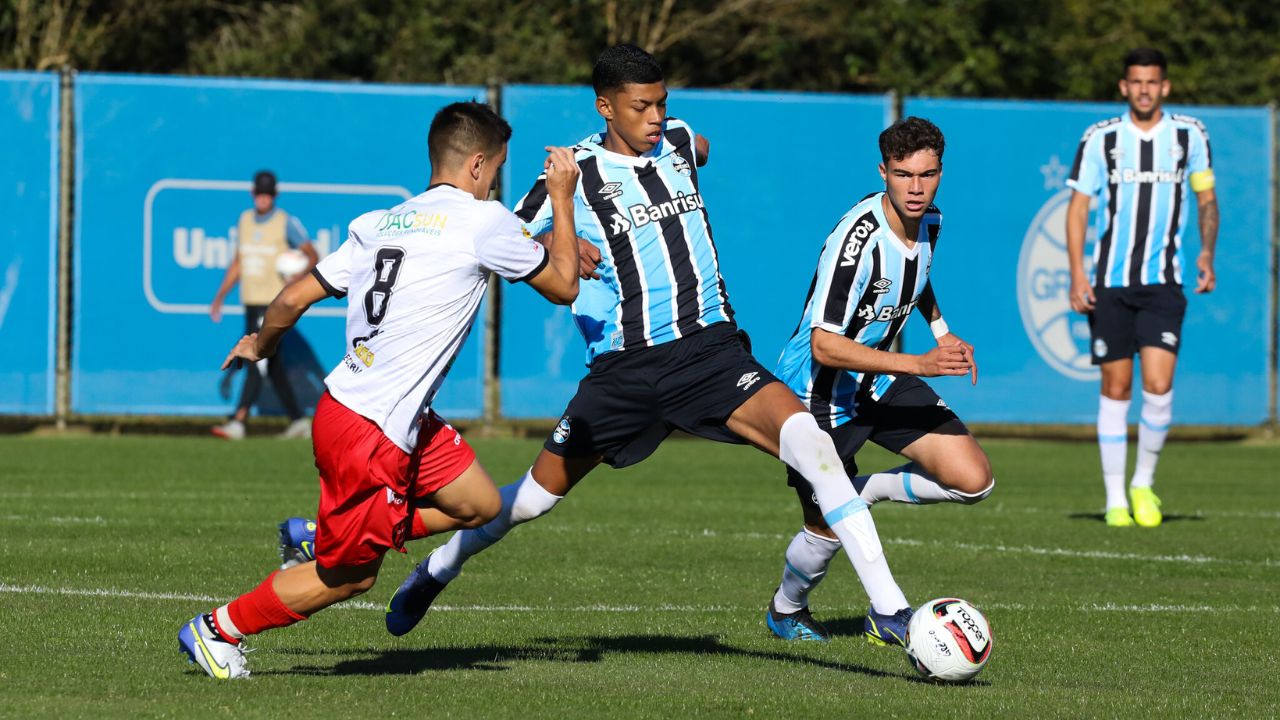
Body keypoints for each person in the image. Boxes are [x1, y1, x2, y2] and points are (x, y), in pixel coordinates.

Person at [379, 44, 933, 646]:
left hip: (710, 353)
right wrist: (559, 246)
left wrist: (691, 146)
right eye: (640, 106)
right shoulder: (574, 172)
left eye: (661, 103)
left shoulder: (676, 141)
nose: (655, 117)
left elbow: (699, 146)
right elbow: (510, 236)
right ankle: (437, 569)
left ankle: (889, 609)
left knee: (813, 445)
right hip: (627, 370)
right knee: (532, 500)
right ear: (605, 108)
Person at [177, 101, 583, 680]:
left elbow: (292, 297)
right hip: (371, 430)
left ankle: (317, 535)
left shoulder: (380, 223)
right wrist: (563, 198)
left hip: (371, 411)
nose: (495, 181)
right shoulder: (482, 220)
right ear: (475, 166)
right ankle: (218, 629)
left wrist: (260, 345)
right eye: (495, 169)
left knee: (481, 505)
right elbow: (564, 284)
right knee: (351, 577)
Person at [766, 117, 994, 646]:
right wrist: (920, 362)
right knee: (823, 533)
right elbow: (824, 344)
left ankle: (858, 493)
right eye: (902, 175)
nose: (915, 188)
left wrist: (941, 329)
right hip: (818, 396)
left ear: (940, 170)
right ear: (882, 171)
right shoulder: (857, 241)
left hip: (880, 379)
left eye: (927, 174)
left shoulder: (931, 219)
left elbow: (919, 276)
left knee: (974, 479)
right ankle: (785, 608)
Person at [1066, 48, 1218, 528]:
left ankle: (1142, 483)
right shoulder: (1102, 139)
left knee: (1158, 384)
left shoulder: (1189, 135)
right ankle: (1115, 499)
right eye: (1137, 81)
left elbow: (1207, 199)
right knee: (1116, 387)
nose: (1145, 89)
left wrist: (1207, 253)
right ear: (1124, 86)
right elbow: (1077, 208)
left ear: (1165, 87)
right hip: (1111, 284)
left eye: (1153, 82)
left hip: (1164, 284)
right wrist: (1076, 274)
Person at [210, 170, 318, 440]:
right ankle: (297, 420)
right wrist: (220, 296)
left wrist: (298, 278)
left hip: (272, 303)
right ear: (253, 193)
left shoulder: (285, 223)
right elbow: (239, 262)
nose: (263, 198)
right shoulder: (245, 220)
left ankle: (238, 421)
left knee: (256, 359)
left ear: (275, 195)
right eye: (260, 193)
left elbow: (312, 255)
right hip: (251, 302)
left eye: (268, 194)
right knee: (272, 363)